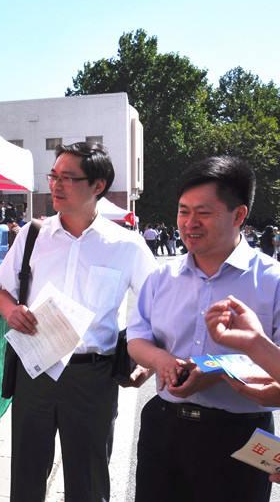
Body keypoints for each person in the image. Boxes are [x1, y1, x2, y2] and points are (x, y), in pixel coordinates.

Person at [0, 141, 156, 502]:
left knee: (89, 482)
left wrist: (148, 363)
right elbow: (2, 290)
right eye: (53, 175)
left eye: (67, 178)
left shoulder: (126, 245)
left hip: (92, 377)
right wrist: (10, 311)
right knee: (26, 475)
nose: (55, 184)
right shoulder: (32, 235)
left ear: (98, 186)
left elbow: (157, 308)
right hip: (34, 370)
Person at [127, 155, 280, 502]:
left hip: (239, 437)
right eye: (183, 211)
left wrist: (218, 374)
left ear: (238, 215)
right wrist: (161, 360)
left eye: (204, 213)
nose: (189, 223)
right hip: (164, 427)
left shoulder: (271, 282)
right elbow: (137, 337)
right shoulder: (162, 277)